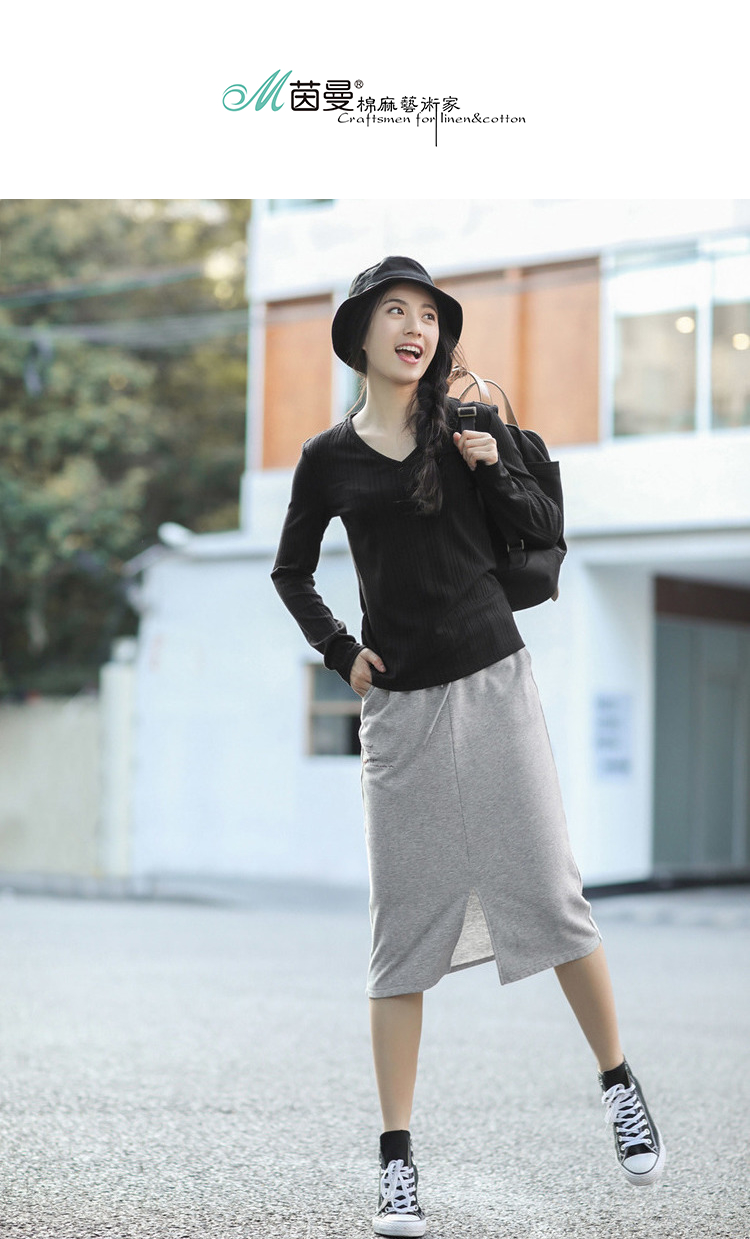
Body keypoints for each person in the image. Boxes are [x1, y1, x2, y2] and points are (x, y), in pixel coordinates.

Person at [271, 256, 665, 1236]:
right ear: (359, 334)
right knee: (400, 936)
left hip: (494, 679)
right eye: (394, 312)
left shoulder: (466, 426)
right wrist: (341, 651)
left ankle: (619, 1081)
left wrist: (492, 466)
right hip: (398, 709)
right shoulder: (328, 458)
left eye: (428, 315)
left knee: (550, 891)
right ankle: (397, 1161)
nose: (415, 327)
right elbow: (292, 571)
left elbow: (540, 531)